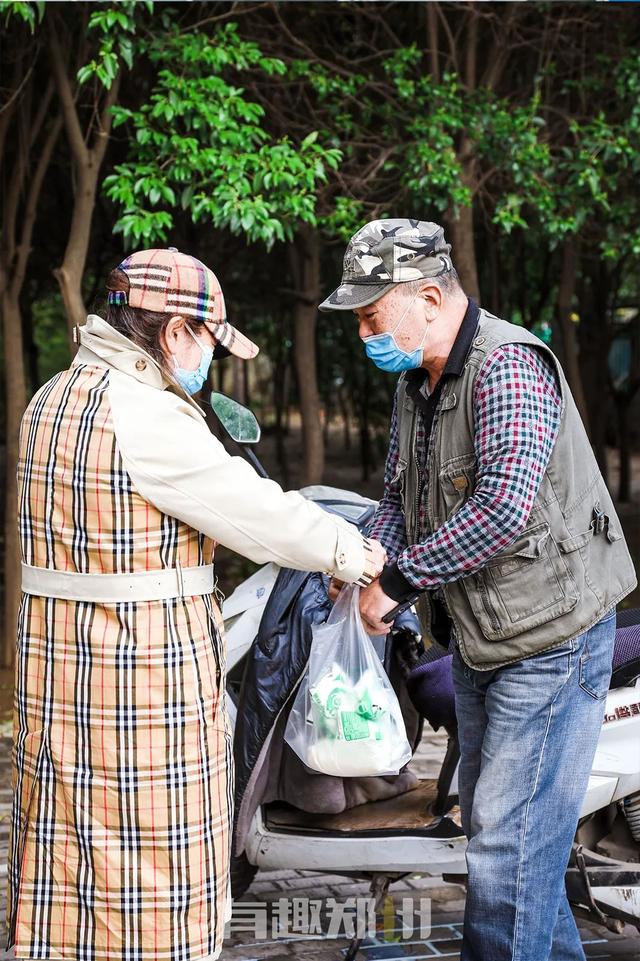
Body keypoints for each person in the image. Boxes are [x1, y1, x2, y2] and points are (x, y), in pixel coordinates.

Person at [6, 247, 386, 961]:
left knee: (68, 854)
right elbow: (257, 513)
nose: (212, 357)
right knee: (156, 871)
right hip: (140, 676)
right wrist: (354, 553)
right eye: (211, 339)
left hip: (59, 674)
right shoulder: (145, 415)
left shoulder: (51, 397)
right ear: (176, 331)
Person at [319, 219, 637, 961]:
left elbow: (504, 506)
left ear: (429, 297)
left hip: (550, 638)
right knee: (516, 850)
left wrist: (397, 582)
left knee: (503, 846)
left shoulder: (507, 367)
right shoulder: (415, 381)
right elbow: (397, 498)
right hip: (480, 633)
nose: (363, 332)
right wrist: (362, 560)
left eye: (372, 315)